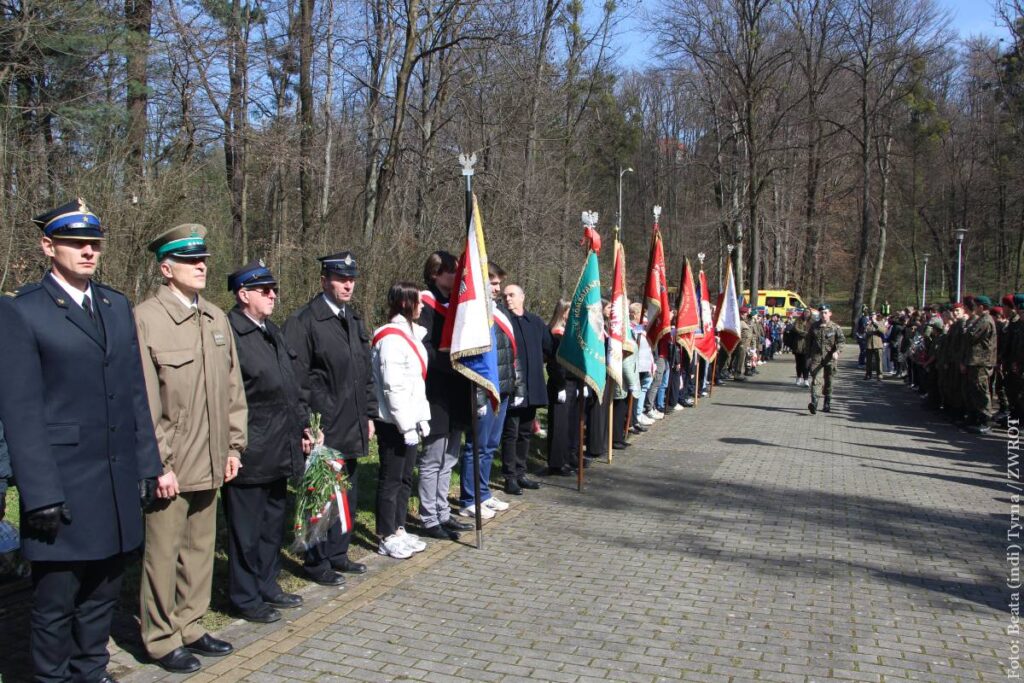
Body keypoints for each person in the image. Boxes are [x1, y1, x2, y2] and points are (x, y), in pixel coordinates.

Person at [2, 201, 163, 683]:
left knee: (101, 595)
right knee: (56, 604)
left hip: (113, 482)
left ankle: (90, 671)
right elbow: (20, 412)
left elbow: (136, 394)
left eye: (94, 243)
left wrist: (147, 466)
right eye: (75, 243)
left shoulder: (116, 306)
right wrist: (41, 493)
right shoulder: (23, 311)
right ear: (48, 247)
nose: (88, 251)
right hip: (62, 486)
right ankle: (52, 678)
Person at [135, 223, 247, 673]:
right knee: (162, 553)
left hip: (214, 457)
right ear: (167, 268)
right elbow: (145, 399)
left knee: (200, 548)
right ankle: (160, 638)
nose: (201, 267)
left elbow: (233, 391)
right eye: (189, 261)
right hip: (173, 465)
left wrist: (234, 448)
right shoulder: (146, 318)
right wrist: (159, 463)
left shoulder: (216, 318)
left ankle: (191, 623)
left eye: (203, 259)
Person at [224, 261, 312, 624]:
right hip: (251, 449)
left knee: (272, 523)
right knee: (246, 530)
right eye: (264, 290)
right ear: (243, 295)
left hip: (280, 446)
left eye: (274, 289)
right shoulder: (231, 334)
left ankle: (267, 583)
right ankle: (244, 596)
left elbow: (291, 386)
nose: (273, 295)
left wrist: (305, 427)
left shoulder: (271, 331)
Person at [284, 252, 377, 584]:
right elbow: (296, 379)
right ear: (324, 280)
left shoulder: (352, 319)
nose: (348, 284)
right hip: (324, 426)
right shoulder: (305, 321)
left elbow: (364, 374)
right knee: (320, 496)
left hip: (351, 421)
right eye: (341, 279)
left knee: (346, 491)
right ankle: (316, 560)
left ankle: (338, 552)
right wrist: (307, 425)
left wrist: (368, 413)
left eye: (351, 279)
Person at [370, 283, 431, 558]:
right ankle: (385, 534)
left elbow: (415, 383)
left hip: (410, 419)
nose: (422, 306)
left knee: (406, 478)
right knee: (391, 479)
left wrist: (421, 418)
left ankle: (398, 526)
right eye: (418, 301)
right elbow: (391, 386)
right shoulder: (391, 338)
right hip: (393, 422)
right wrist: (405, 424)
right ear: (406, 303)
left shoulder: (411, 334)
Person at [416, 252, 473, 540]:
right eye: (450, 271)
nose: (455, 276)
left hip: (456, 391)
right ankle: (428, 517)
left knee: (450, 456)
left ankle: (442, 511)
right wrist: (450, 362)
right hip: (435, 390)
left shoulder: (458, 306)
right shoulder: (425, 305)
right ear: (435, 274)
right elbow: (423, 348)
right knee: (433, 457)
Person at [458, 262, 520, 516]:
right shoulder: (476, 315)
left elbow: (512, 354)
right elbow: (476, 362)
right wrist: (479, 396)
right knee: (477, 445)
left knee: (491, 444)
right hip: (485, 390)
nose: (498, 288)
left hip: (503, 388)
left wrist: (517, 386)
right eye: (493, 283)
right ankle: (469, 499)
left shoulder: (500, 312)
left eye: (499, 283)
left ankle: (483, 493)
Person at [501, 283, 552, 494]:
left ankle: (521, 473)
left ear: (522, 297)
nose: (508, 299)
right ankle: (509, 476)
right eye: (505, 296)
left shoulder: (536, 322)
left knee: (525, 432)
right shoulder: (503, 323)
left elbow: (549, 347)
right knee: (511, 433)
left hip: (533, 386)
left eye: (512, 295)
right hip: (514, 387)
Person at [961, 295, 997, 434]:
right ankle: (976, 417)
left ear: (982, 307)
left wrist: (966, 326)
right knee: (974, 390)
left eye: (976, 305)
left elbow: (970, 337)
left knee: (981, 390)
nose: (974, 308)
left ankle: (985, 420)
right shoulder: (981, 319)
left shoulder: (985, 320)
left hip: (981, 361)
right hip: (975, 361)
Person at [806, 303, 845, 414]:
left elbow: (841, 341)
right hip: (816, 358)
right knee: (816, 381)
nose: (823, 315)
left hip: (830, 358)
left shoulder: (835, 327)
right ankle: (814, 403)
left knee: (829, 381)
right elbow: (808, 342)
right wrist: (808, 356)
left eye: (825, 312)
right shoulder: (814, 326)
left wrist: (837, 351)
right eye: (821, 313)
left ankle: (827, 402)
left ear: (830, 314)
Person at [864, 313, 887, 380]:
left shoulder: (881, 323)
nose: (872, 317)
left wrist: (875, 324)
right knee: (868, 361)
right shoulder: (869, 323)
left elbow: (883, 331)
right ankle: (868, 374)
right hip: (869, 344)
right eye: (871, 316)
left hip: (878, 344)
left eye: (874, 316)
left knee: (879, 360)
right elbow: (866, 331)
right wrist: (869, 324)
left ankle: (879, 375)